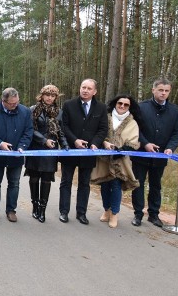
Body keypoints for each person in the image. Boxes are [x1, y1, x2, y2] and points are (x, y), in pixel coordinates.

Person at [130, 78, 178, 227]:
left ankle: (154, 214)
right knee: (138, 184)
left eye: (166, 91)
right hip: (141, 154)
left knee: (156, 185)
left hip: (160, 157)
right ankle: (138, 214)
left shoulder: (174, 111)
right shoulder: (141, 107)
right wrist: (145, 143)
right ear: (153, 90)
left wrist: (170, 148)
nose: (163, 93)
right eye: (160, 90)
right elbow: (134, 128)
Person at [59, 78, 108, 225]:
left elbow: (103, 129)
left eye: (88, 88)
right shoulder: (68, 105)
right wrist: (75, 140)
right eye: (83, 87)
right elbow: (64, 126)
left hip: (88, 152)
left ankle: (81, 213)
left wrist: (95, 144)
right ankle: (64, 212)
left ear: (95, 92)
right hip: (71, 150)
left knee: (84, 184)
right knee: (66, 182)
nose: (85, 90)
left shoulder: (101, 107)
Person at [90, 94, 141, 228]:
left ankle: (115, 213)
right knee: (105, 184)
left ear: (130, 106)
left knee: (116, 185)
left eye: (126, 104)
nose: (122, 106)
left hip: (121, 160)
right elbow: (100, 133)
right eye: (120, 103)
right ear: (115, 103)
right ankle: (106, 210)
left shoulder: (132, 122)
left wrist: (122, 149)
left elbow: (134, 141)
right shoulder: (106, 118)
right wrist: (105, 143)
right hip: (104, 157)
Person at [0, 87, 33, 222]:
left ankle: (11, 210)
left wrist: (22, 147)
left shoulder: (25, 111)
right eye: (12, 104)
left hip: (16, 156)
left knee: (14, 183)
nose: (15, 105)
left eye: (17, 102)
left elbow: (28, 132)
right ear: (3, 101)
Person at [24, 84, 69, 223]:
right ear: (42, 95)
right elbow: (30, 129)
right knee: (34, 179)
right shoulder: (33, 109)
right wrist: (44, 140)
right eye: (47, 95)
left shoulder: (58, 111)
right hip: (36, 148)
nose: (49, 98)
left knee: (46, 180)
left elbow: (60, 131)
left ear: (56, 97)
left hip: (51, 150)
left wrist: (65, 144)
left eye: (52, 95)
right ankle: (35, 206)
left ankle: (43, 209)